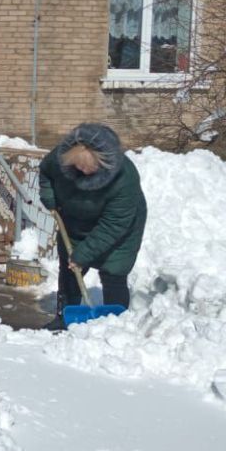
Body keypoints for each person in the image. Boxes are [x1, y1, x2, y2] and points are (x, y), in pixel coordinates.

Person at [39, 122, 147, 331]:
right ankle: (64, 316)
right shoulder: (61, 157)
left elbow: (114, 225)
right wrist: (48, 196)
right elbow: (46, 172)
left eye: (89, 167)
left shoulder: (125, 178)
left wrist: (84, 254)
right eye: (77, 166)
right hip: (73, 221)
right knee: (70, 270)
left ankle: (115, 323)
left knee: (114, 270)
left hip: (119, 228)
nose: (82, 170)